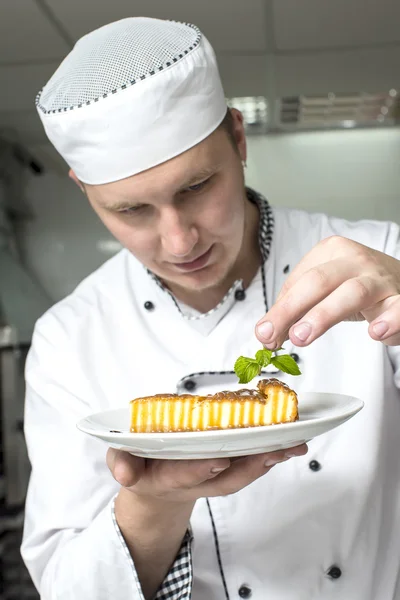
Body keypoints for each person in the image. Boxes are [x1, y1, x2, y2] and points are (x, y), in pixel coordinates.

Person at [21, 16, 400, 600]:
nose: (179, 242)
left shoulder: (381, 261)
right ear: (83, 189)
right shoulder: (68, 338)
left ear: (239, 140)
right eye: (131, 210)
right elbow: (70, 589)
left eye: (195, 187)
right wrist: (154, 501)